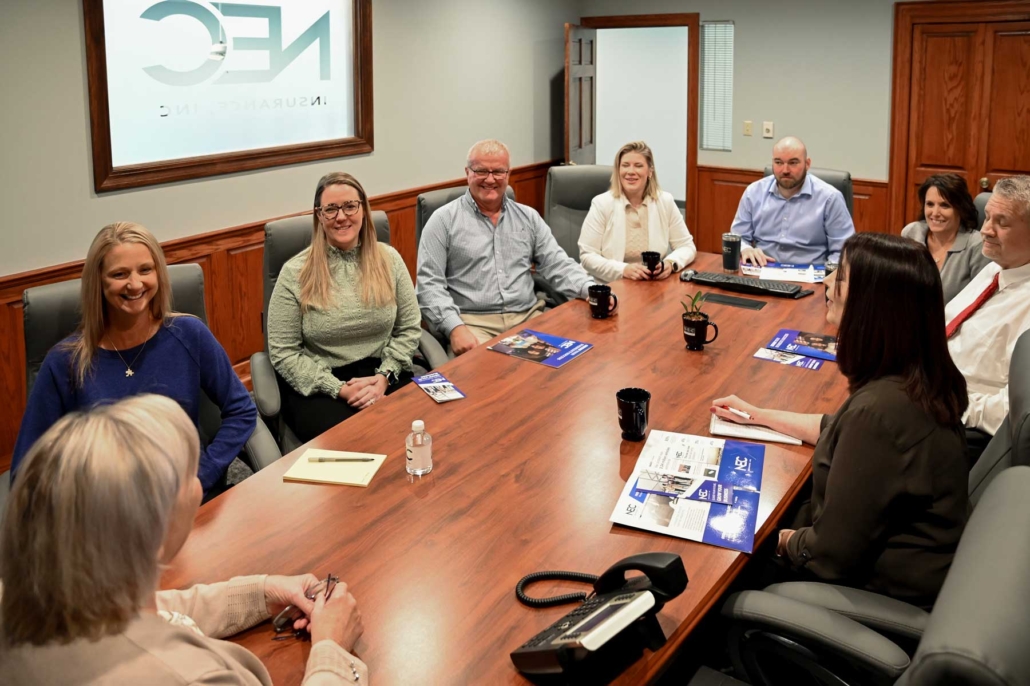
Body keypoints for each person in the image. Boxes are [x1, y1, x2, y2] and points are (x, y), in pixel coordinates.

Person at [0, 394, 366, 684]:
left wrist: (260, 593)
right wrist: (332, 650)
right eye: (190, 472)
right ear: (154, 533)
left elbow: (147, 609)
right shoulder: (196, 677)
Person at [711, 233, 969, 609]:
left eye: (841, 277)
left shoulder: (880, 414)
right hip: (903, 569)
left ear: (874, 305)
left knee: (714, 560)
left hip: (868, 595)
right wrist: (758, 416)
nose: (828, 283)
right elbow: (836, 426)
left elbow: (828, 555)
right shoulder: (916, 380)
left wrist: (763, 537)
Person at [11, 222, 255, 497]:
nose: (135, 284)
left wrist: (204, 474)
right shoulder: (65, 361)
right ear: (98, 282)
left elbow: (242, 409)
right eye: (119, 274)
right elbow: (26, 469)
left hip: (187, 500)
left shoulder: (189, 334)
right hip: (108, 516)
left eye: (145, 270)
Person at [268, 171, 421, 443]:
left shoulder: (390, 260)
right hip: (321, 383)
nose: (341, 216)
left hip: (384, 371)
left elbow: (409, 328)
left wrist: (384, 376)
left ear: (363, 209)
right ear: (319, 215)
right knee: (359, 444)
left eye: (350, 206)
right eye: (331, 209)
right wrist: (337, 388)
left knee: (424, 428)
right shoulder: (295, 273)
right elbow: (284, 352)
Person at [417, 139, 594, 356]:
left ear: (508, 174)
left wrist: (591, 290)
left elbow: (557, 264)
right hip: (474, 325)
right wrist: (455, 328)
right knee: (489, 380)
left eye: (498, 172)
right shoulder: (442, 221)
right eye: (481, 171)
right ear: (467, 172)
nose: (490, 179)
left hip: (528, 318)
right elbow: (428, 286)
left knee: (575, 361)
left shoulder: (528, 217)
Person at [946, 175, 1030, 439]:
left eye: (1001, 222)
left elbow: (1013, 411)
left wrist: (948, 404)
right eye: (987, 217)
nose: (985, 230)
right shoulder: (995, 268)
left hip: (958, 426)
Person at [577, 141, 696, 283]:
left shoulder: (665, 201)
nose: (631, 172)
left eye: (638, 166)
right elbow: (587, 256)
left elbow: (687, 246)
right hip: (609, 284)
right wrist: (623, 270)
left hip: (650, 285)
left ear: (650, 171)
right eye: (625, 165)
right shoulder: (602, 204)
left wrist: (670, 263)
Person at [730, 136, 855, 266]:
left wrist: (827, 278)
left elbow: (843, 251)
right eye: (778, 162)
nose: (785, 170)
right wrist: (746, 249)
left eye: (793, 163)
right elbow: (738, 237)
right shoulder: (753, 193)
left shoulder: (830, 198)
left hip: (811, 276)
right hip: (763, 271)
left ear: (807, 164)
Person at [901, 173, 991, 303]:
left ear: (960, 208)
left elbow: (981, 300)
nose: (935, 213)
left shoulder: (977, 245)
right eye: (930, 204)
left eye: (945, 205)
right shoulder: (911, 233)